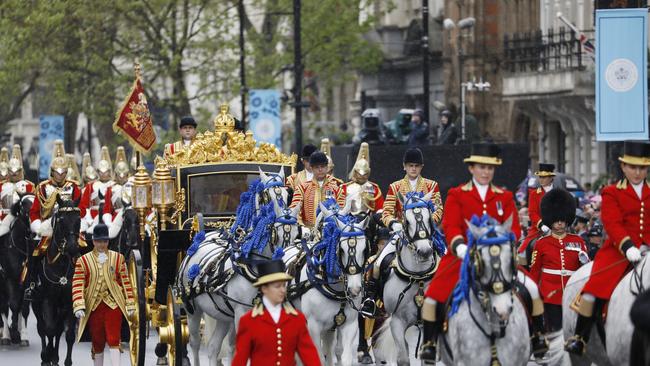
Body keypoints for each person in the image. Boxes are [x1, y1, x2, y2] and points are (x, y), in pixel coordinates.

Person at [420, 143, 546, 361]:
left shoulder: (504, 196)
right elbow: (451, 226)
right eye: (481, 167)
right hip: (462, 258)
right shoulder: (457, 194)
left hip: (498, 258)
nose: (486, 172)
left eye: (490, 168)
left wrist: (508, 243)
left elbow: (514, 228)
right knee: (433, 296)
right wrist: (460, 246)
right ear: (471, 168)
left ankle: (537, 337)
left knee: (533, 289)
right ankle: (430, 343)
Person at [565, 141, 650, 355]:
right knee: (594, 290)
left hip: (648, 250)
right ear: (623, 167)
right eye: (633, 167)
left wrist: (646, 245)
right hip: (618, 252)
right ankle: (580, 337)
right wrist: (628, 245)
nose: (637, 172)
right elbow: (612, 223)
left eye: (642, 168)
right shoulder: (611, 191)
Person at [360, 147, 443, 317]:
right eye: (410, 165)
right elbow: (387, 211)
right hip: (402, 235)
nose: (413, 169)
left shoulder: (431, 185)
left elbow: (439, 209)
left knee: (448, 259)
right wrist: (393, 224)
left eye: (417, 166)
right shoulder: (395, 187)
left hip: (426, 235)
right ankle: (370, 298)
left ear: (421, 167)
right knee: (378, 262)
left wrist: (428, 224)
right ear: (404, 166)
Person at [232, 259, 320, 366]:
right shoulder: (248, 321)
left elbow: (310, 357)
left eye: (284, 285)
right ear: (264, 288)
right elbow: (240, 359)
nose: (283, 290)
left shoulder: (297, 319)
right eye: (277, 286)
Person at [72, 223, 135, 366]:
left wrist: (130, 302)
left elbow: (126, 282)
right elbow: (77, 283)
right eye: (99, 241)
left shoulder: (118, 258)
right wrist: (79, 305)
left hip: (113, 305)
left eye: (105, 241)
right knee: (98, 342)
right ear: (93, 241)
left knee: (114, 339)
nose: (102, 244)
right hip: (94, 307)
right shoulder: (83, 260)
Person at [529, 188, 589, 333]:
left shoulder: (578, 241)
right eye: (556, 220)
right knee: (555, 331)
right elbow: (535, 271)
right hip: (551, 294)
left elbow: (586, 270)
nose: (560, 224)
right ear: (550, 220)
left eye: (562, 220)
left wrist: (584, 261)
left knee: (572, 329)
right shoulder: (541, 243)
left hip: (573, 293)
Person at [289, 151, 340, 229]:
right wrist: (302, 227)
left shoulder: (337, 188)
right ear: (311, 168)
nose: (320, 170)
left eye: (322, 166)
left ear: (327, 167)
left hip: (331, 231)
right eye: (317, 167)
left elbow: (341, 212)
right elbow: (295, 209)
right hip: (307, 231)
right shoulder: (302, 188)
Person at [518, 163, 556, 263]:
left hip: (558, 227)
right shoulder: (534, 193)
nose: (541, 179)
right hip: (538, 229)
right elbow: (532, 213)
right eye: (540, 177)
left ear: (551, 177)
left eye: (544, 177)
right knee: (522, 251)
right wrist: (542, 225)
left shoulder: (558, 193)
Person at [80, 146, 114, 233]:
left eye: (105, 171)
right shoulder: (91, 186)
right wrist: (88, 218)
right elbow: (84, 205)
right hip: (93, 215)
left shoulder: (114, 185)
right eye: (101, 172)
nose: (103, 174)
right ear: (98, 172)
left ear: (109, 172)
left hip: (111, 216)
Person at [0, 145, 35, 222]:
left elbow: (32, 206)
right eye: (11, 171)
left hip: (22, 219)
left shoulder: (29, 186)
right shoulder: (1, 185)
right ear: (8, 171)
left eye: (16, 171)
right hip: (3, 219)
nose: (14, 174)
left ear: (20, 171)